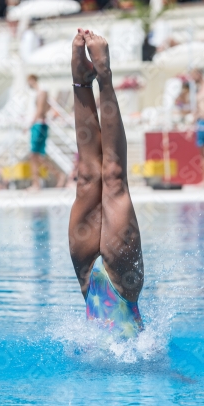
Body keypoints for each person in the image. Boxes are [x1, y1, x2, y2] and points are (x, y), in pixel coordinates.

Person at [69, 29, 144, 340]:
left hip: (89, 282)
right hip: (122, 287)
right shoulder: (143, 358)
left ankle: (80, 81)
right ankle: (105, 77)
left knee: (88, 177)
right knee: (113, 178)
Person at [27, 74, 65, 190]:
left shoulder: (42, 92)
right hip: (40, 124)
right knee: (38, 156)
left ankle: (36, 184)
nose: (27, 84)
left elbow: (39, 111)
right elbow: (47, 107)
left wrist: (29, 124)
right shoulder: (40, 93)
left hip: (38, 125)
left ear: (33, 80)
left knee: (34, 155)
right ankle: (58, 176)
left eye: (28, 81)